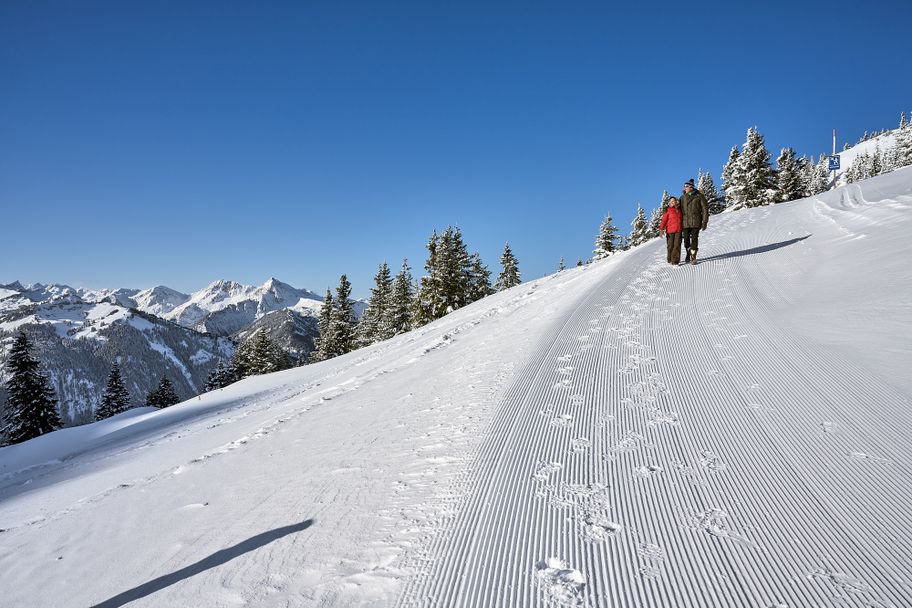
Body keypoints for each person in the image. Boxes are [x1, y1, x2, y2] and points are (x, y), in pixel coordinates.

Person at [679, 178, 708, 264]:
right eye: (684, 186)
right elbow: (678, 210)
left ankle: (693, 256)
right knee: (686, 240)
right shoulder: (682, 198)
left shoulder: (699, 196)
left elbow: (705, 209)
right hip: (685, 222)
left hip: (696, 221)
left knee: (694, 239)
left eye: (686, 186)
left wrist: (705, 221)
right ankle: (688, 252)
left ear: (691, 187)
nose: (685, 188)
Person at [659, 196, 682, 264]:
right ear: (669, 203)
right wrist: (661, 230)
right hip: (670, 231)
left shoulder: (679, 210)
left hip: (678, 230)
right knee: (670, 246)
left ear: (676, 202)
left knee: (677, 245)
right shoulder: (667, 210)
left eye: (673, 201)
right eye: (671, 201)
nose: (672, 202)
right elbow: (663, 221)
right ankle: (669, 258)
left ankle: (675, 260)